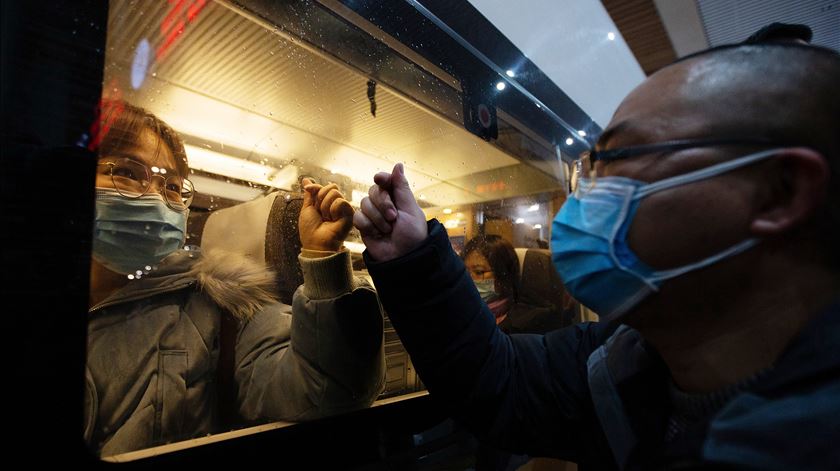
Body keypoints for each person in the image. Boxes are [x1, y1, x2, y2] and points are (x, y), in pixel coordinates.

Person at [353, 41, 840, 470]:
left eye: (621, 158)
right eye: (590, 167)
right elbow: (497, 379)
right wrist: (413, 258)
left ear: (779, 191)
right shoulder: (619, 363)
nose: (585, 196)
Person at [84, 100, 385, 456]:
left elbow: (325, 388)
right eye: (130, 173)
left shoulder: (222, 305)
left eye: (173, 188)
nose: (156, 198)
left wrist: (322, 261)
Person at [463, 234, 563, 334]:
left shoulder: (528, 323)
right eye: (465, 272)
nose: (468, 279)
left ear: (503, 275)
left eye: (479, 272)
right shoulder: (461, 313)